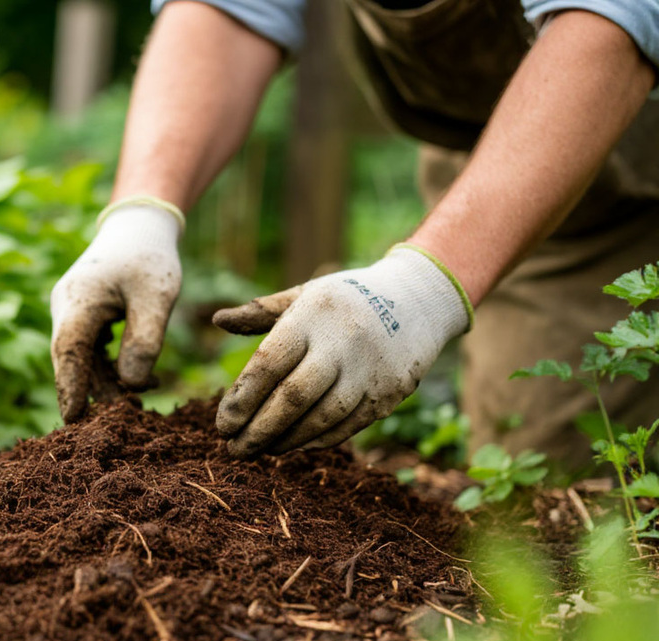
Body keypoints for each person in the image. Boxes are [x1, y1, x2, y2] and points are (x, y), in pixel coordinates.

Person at [49, 0, 659, 470]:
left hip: (625, 118)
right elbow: (232, 10)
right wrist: (143, 214)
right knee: (551, 481)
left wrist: (424, 284)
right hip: (520, 168)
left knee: (587, 515)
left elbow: (615, 15)